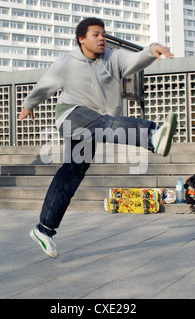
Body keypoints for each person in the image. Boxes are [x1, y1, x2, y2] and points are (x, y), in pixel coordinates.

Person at [19, 18, 177, 258]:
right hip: (71, 116)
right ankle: (153, 135)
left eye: (103, 34)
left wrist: (152, 50)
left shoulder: (113, 57)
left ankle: (44, 229)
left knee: (72, 172)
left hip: (98, 124)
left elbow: (135, 59)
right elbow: (45, 85)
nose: (102, 38)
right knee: (103, 123)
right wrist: (29, 105)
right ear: (82, 38)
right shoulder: (66, 62)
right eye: (96, 34)